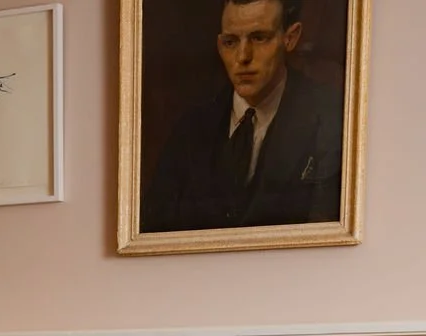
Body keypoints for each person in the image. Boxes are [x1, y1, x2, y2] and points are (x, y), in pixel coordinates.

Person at [141, 0, 343, 234]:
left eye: (259, 38)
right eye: (231, 42)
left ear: (290, 38)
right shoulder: (189, 130)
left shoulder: (330, 117)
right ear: (219, 45)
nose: (243, 57)